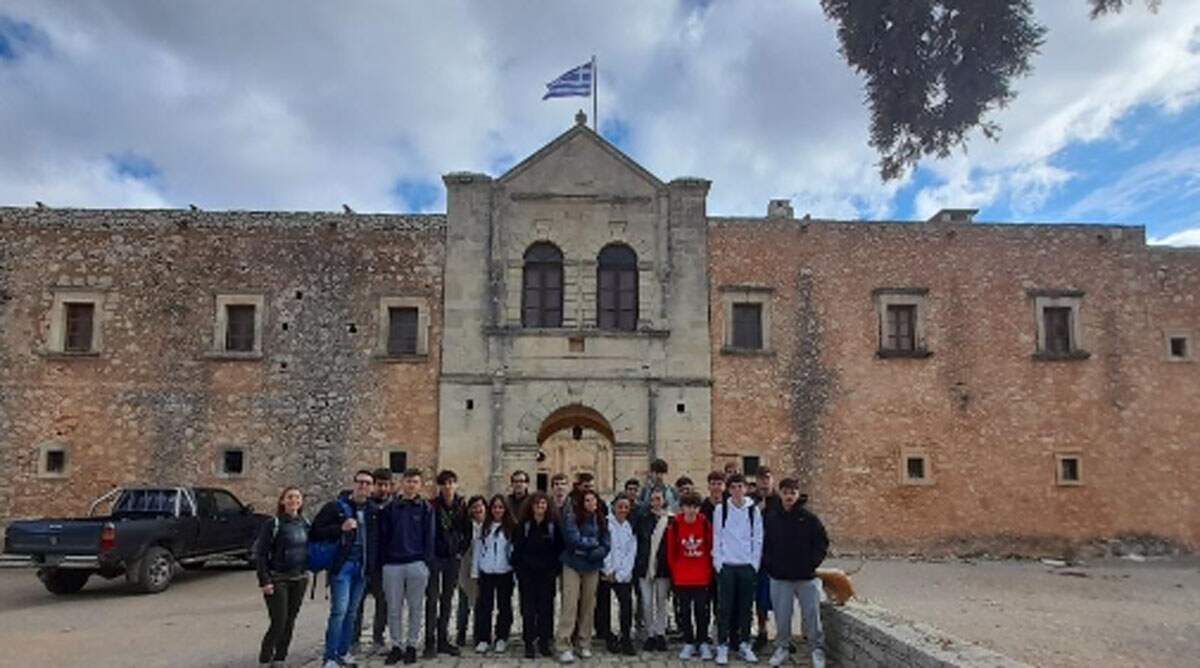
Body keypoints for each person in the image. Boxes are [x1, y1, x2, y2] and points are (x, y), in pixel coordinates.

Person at [310, 469, 374, 668]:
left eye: (367, 483)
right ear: (354, 484)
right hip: (343, 567)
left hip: (362, 568)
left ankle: (344, 652)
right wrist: (340, 528)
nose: (363, 486)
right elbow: (315, 532)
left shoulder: (372, 511)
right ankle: (330, 657)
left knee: (352, 613)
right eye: (360, 482)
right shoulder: (335, 507)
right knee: (339, 611)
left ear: (371, 488)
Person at [763, 479, 829, 668]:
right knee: (782, 617)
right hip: (780, 577)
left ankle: (816, 650)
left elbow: (822, 542)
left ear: (798, 494)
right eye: (785, 492)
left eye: (792, 492)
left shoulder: (809, 518)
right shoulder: (772, 518)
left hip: (806, 577)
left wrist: (812, 563)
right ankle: (782, 647)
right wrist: (770, 565)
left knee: (812, 616)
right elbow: (764, 544)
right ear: (780, 494)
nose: (789, 496)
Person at [378, 468, 435, 666]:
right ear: (403, 483)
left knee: (415, 607)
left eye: (415, 481)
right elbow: (383, 536)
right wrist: (384, 561)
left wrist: (425, 563)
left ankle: (412, 645)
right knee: (393, 608)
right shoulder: (390, 508)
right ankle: (396, 645)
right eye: (408, 481)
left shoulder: (426, 508)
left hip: (416, 563)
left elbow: (429, 537)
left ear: (420, 485)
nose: (411, 485)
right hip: (393, 564)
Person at [254, 486, 309, 668]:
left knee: (290, 621)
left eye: (297, 497)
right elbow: (261, 554)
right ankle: (265, 658)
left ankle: (280, 658)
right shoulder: (273, 524)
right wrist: (264, 580)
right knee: (279, 621)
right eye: (290, 497)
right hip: (278, 578)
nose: (294, 500)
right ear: (282, 501)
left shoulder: (304, 523)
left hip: (299, 578)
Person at [712, 473, 763, 665]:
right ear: (728, 489)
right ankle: (722, 644)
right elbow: (717, 536)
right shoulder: (721, 509)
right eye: (733, 487)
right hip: (727, 566)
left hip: (746, 566)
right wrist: (719, 563)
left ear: (745, 488)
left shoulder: (753, 510)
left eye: (740, 486)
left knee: (745, 608)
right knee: (724, 608)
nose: (737, 490)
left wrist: (754, 564)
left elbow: (758, 538)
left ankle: (744, 643)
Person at [557, 489, 610, 664]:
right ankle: (564, 644)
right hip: (572, 564)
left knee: (588, 605)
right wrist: (593, 544)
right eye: (587, 500)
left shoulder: (601, 519)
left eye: (593, 500)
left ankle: (584, 642)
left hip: (592, 565)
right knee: (570, 604)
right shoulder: (572, 518)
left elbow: (606, 543)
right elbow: (573, 540)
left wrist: (596, 552)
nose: (591, 504)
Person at [513, 491, 563, 659]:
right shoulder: (524, 525)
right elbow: (517, 549)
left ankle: (544, 642)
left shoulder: (553, 525)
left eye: (543, 503)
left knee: (546, 609)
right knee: (528, 610)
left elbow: (559, 548)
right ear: (531, 506)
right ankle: (529, 642)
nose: (540, 507)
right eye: (537, 504)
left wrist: (555, 570)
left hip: (547, 575)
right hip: (527, 575)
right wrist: (520, 571)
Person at [668, 492, 714, 661]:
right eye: (688, 506)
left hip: (701, 576)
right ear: (682, 508)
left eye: (695, 507)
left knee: (702, 611)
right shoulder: (675, 525)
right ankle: (688, 641)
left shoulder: (705, 524)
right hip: (682, 576)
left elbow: (711, 547)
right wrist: (676, 571)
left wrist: (708, 570)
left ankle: (702, 641)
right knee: (685, 611)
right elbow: (671, 551)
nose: (691, 510)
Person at [425, 470, 466, 658]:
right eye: (444, 483)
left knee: (448, 599)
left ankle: (443, 639)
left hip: (452, 558)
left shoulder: (462, 506)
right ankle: (430, 641)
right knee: (432, 598)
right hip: (435, 557)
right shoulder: (431, 506)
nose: (448, 487)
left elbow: (467, 531)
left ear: (456, 484)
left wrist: (460, 552)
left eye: (451, 482)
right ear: (440, 486)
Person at [354, 468, 393, 656]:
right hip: (362, 562)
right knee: (356, 603)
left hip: (383, 563)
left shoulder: (393, 507)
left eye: (386, 485)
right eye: (379, 485)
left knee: (382, 603)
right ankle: (353, 639)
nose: (383, 489)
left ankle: (378, 638)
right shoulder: (363, 506)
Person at [472, 495, 515, 654]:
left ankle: (502, 637)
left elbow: (514, 551)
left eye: (500, 507)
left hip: (505, 571)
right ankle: (484, 638)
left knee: (504, 606)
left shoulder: (511, 527)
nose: (497, 510)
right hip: (487, 571)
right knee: (485, 606)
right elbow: (478, 550)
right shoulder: (484, 527)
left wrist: (515, 572)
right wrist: (475, 571)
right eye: (495, 507)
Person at [597, 494, 637, 656]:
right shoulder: (605, 524)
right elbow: (603, 547)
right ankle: (607, 636)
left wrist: (620, 573)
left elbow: (631, 553)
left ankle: (625, 637)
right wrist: (608, 570)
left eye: (626, 507)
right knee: (604, 606)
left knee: (626, 605)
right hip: (606, 573)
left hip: (623, 574)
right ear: (613, 507)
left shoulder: (629, 527)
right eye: (620, 506)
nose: (623, 510)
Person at [634, 489, 673, 652]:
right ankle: (650, 633)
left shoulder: (671, 521)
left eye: (658, 499)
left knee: (662, 601)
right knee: (647, 602)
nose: (655, 502)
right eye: (653, 499)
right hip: (645, 566)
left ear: (664, 500)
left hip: (663, 567)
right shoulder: (643, 519)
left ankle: (660, 632)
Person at [751, 467, 780, 651]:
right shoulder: (750, 501)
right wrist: (757, 512)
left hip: (776, 557)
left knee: (779, 598)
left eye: (767, 478)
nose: (764, 482)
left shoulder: (780, 501)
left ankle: (782, 634)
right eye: (761, 478)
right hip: (756, 557)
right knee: (759, 598)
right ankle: (762, 631)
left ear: (772, 480)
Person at [455, 495, 488, 649]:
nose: (478, 509)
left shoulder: (489, 526)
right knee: (464, 602)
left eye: (480, 506)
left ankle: (478, 633)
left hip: (484, 567)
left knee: (480, 603)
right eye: (474, 507)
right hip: (467, 565)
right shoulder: (465, 525)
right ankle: (461, 631)